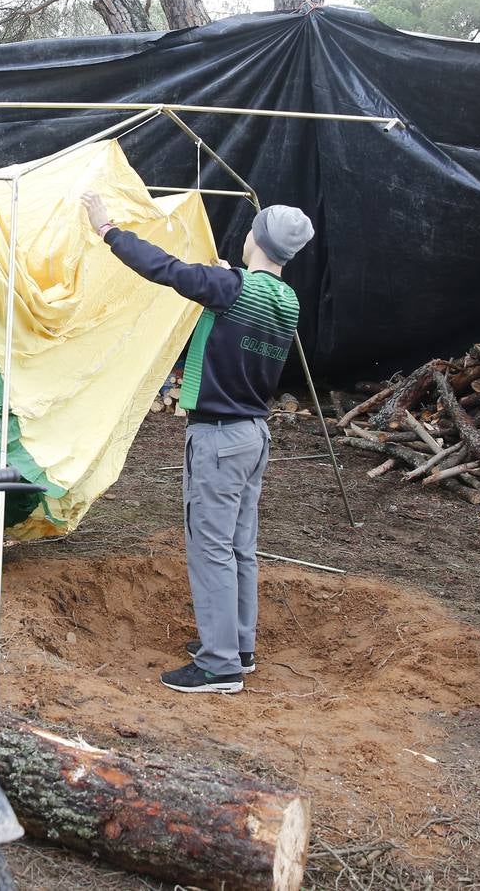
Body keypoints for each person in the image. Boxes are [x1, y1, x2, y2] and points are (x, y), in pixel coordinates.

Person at [82, 192, 314, 694]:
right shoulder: (285, 300)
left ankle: (219, 665)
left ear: (256, 238)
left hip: (218, 439)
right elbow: (242, 314)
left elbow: (163, 268)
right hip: (254, 437)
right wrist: (231, 275)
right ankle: (239, 646)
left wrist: (107, 230)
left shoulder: (229, 287)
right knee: (239, 547)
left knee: (209, 549)